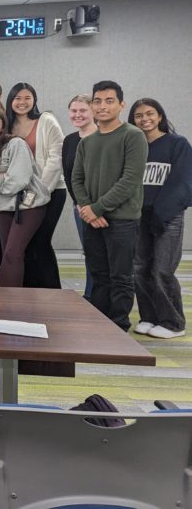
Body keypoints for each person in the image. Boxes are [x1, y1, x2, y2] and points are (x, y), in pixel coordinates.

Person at [72, 81, 147, 331]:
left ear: (121, 104)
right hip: (92, 218)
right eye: (97, 101)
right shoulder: (87, 142)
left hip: (122, 220)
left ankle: (119, 325)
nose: (102, 106)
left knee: (121, 276)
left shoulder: (133, 136)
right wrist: (87, 208)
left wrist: (97, 208)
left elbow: (130, 180)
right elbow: (77, 179)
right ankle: (99, 323)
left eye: (109, 100)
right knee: (98, 274)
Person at [129, 98, 190, 339]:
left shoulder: (178, 144)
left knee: (162, 270)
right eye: (139, 116)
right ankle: (149, 317)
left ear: (160, 116)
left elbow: (183, 183)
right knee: (140, 268)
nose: (145, 119)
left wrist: (162, 212)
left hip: (168, 217)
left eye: (149, 114)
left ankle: (173, 322)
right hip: (138, 216)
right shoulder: (135, 146)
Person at [0, 110, 51, 288]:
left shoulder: (15, 144)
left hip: (28, 205)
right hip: (2, 208)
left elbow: (19, 180)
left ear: (2, 127)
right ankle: (9, 298)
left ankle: (8, 298)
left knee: (12, 253)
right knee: (8, 254)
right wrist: (2, 177)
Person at [5, 83, 66, 289]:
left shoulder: (46, 120)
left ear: (34, 100)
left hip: (50, 191)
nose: (22, 102)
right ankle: (30, 291)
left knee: (40, 242)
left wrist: (39, 192)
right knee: (24, 245)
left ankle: (52, 291)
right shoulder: (7, 126)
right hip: (19, 195)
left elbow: (56, 158)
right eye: (17, 98)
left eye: (27, 98)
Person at [62, 94, 96, 298]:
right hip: (81, 208)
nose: (78, 115)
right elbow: (68, 175)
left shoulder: (105, 137)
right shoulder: (70, 140)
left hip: (108, 208)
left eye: (83, 110)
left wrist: (96, 206)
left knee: (109, 258)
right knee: (90, 254)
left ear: (93, 111)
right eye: (74, 111)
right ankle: (91, 297)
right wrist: (80, 203)